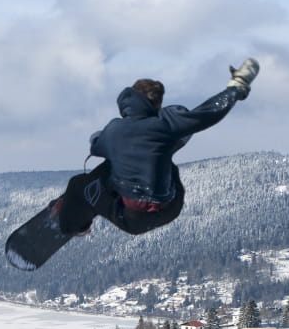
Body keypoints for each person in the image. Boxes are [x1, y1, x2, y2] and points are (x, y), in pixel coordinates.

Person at [51, 58, 259, 237]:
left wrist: (99, 137)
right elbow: (207, 112)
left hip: (132, 218)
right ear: (156, 104)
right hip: (171, 207)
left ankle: (74, 225)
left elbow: (96, 147)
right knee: (164, 148)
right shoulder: (166, 123)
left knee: (81, 183)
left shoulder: (114, 130)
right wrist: (237, 87)